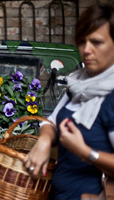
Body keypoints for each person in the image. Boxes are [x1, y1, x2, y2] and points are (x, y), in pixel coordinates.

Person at [23, 4, 114, 200]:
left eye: (96, 42)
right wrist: (45, 140)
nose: (86, 50)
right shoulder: (78, 84)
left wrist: (86, 152)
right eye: (82, 41)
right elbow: (51, 122)